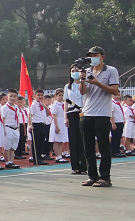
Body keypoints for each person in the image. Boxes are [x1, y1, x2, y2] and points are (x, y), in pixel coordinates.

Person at [77, 46, 120, 187]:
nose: (93, 58)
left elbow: (114, 90)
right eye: (90, 55)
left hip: (102, 114)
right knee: (88, 148)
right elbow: (83, 92)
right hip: (87, 113)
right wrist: (82, 80)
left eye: (95, 55)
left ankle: (105, 178)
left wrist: (97, 82)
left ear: (102, 56)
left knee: (104, 148)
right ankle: (92, 176)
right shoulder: (87, 71)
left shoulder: (111, 71)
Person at [64, 67, 87, 174]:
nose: (74, 73)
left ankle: (84, 166)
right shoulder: (67, 87)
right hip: (72, 114)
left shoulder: (85, 84)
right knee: (73, 140)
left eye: (77, 71)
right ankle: (75, 166)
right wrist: (65, 117)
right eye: (72, 71)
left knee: (83, 140)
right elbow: (66, 102)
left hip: (84, 113)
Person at [28, 89, 51, 165]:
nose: (40, 97)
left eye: (41, 95)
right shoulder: (34, 105)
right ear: (34, 96)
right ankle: (36, 159)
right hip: (36, 125)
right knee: (36, 143)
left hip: (43, 124)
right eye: (38, 95)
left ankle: (40, 158)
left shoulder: (42, 105)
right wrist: (30, 125)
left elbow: (48, 114)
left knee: (42, 142)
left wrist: (45, 107)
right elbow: (30, 115)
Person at [0, 89, 22, 169]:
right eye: (11, 96)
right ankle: (7, 162)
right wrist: (3, 130)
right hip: (8, 128)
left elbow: (17, 119)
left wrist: (18, 129)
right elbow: (3, 119)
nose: (12, 98)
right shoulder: (5, 108)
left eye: (14, 96)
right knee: (7, 146)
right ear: (7, 97)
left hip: (15, 128)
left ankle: (11, 161)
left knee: (13, 147)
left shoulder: (16, 107)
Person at [48, 89, 70, 163]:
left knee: (61, 141)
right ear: (56, 96)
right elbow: (54, 115)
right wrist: (56, 126)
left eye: (62, 95)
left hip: (62, 122)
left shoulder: (63, 104)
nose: (61, 97)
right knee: (56, 141)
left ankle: (60, 155)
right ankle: (57, 156)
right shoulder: (55, 105)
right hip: (57, 122)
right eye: (59, 95)